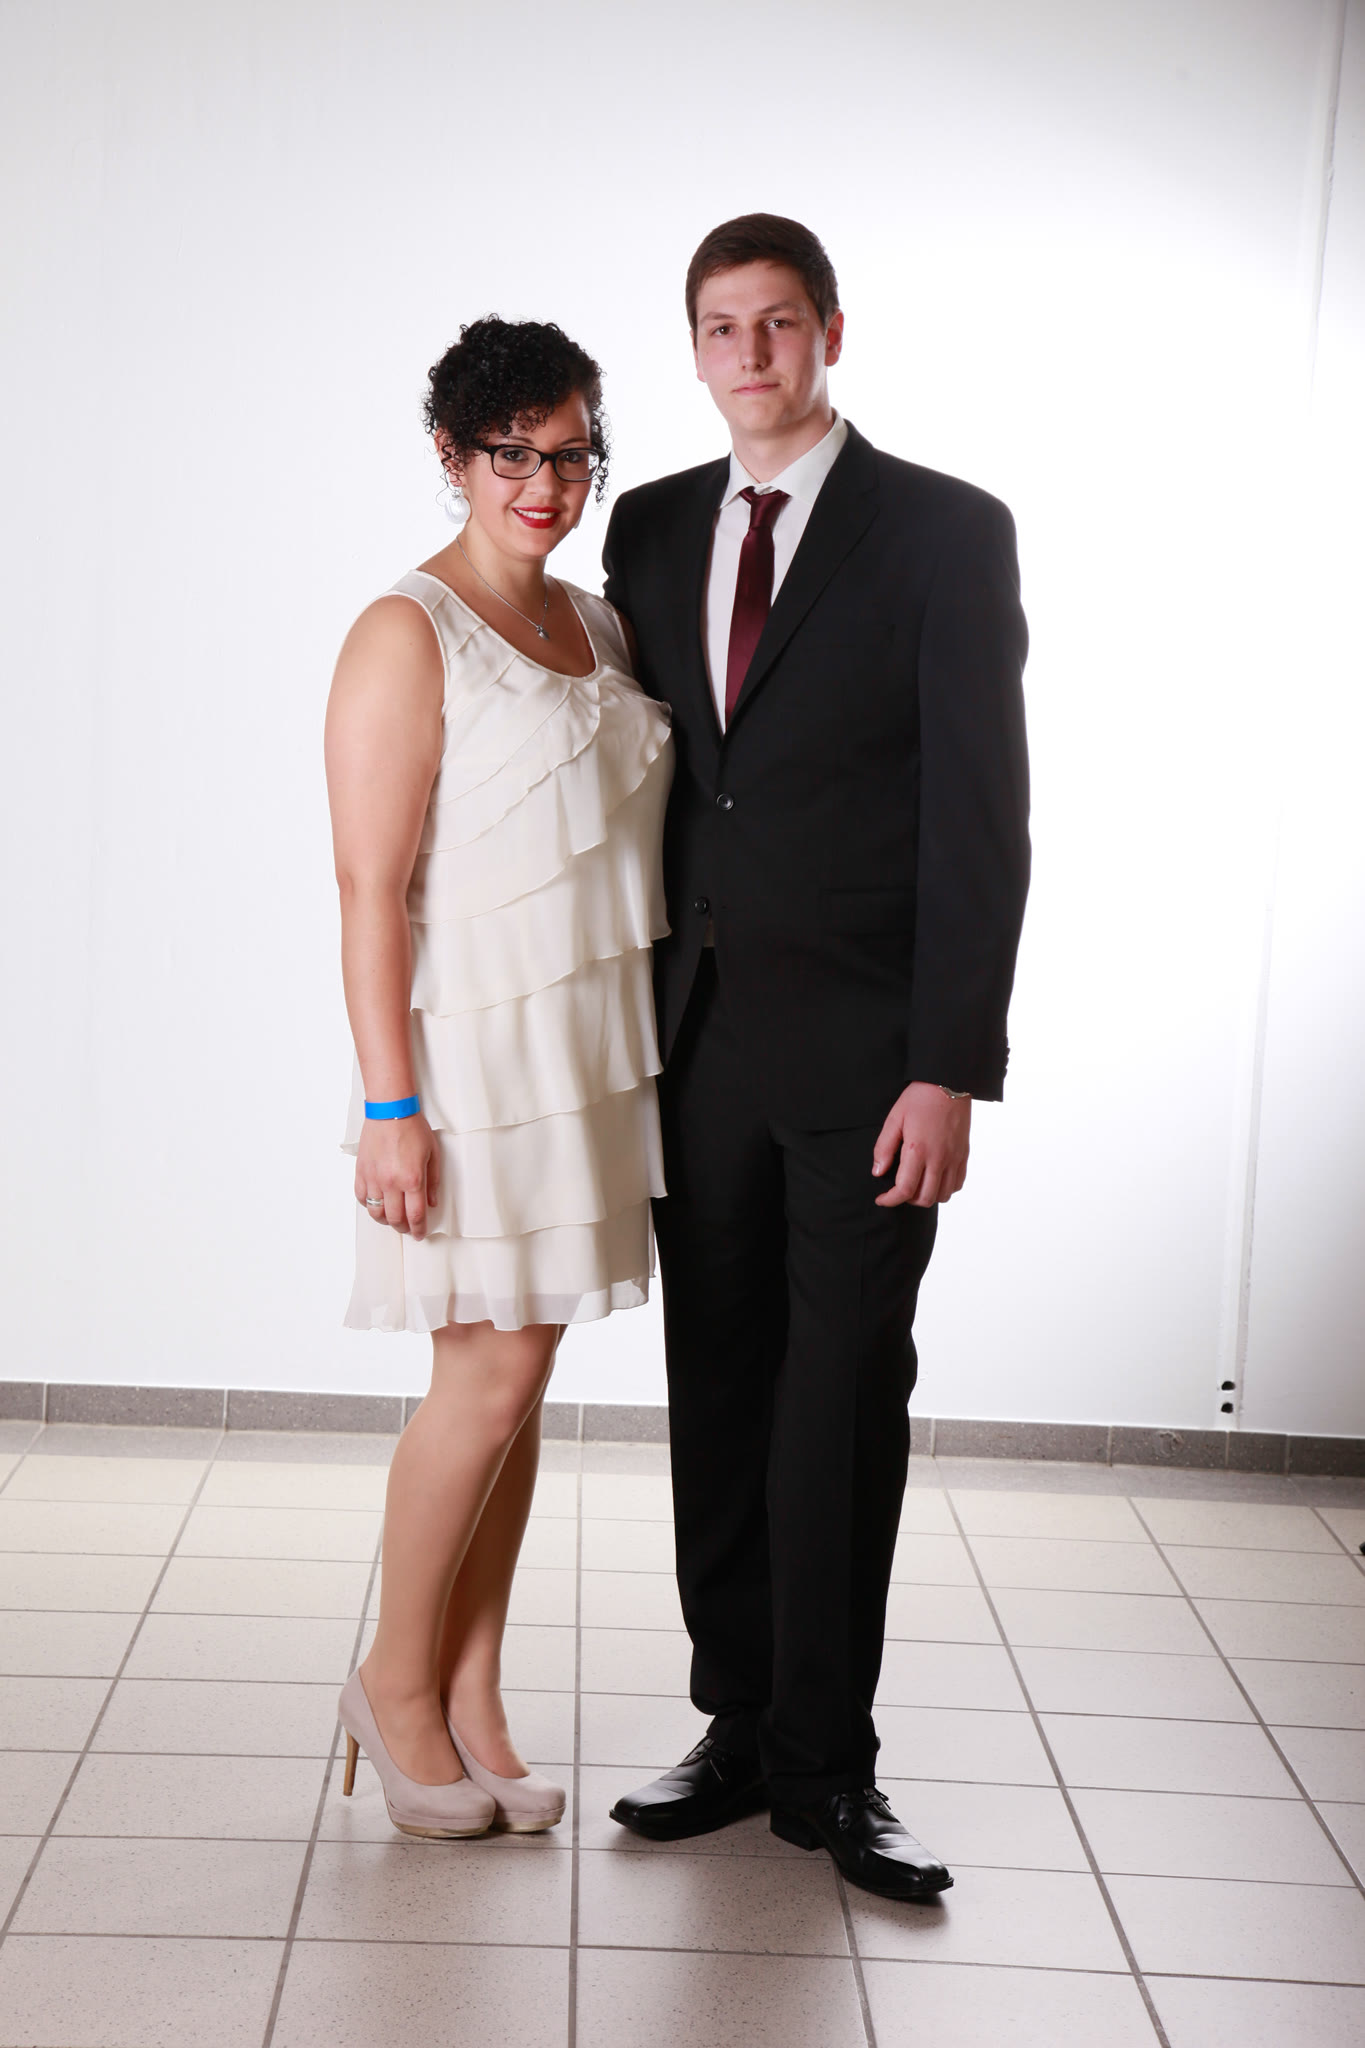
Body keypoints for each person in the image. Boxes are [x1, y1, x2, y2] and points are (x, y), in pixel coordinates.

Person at [603, 215, 1030, 1899]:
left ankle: (828, 1764)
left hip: (869, 1057)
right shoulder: (647, 527)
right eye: (722, 327)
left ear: (828, 333)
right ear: (695, 349)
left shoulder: (941, 530)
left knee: (840, 1395)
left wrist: (950, 1064)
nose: (752, 354)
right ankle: (734, 1724)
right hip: (692, 1037)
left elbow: (981, 816)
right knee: (717, 1384)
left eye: (779, 323)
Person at [324, 317, 672, 1839]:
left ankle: (472, 1695)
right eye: (511, 453)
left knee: (520, 1390)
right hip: (467, 1062)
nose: (545, 483)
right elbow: (365, 887)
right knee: (487, 1375)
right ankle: (392, 1686)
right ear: (453, 456)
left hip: (582, 1053)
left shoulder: (599, 623)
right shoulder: (405, 630)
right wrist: (388, 1106)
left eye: (571, 453)